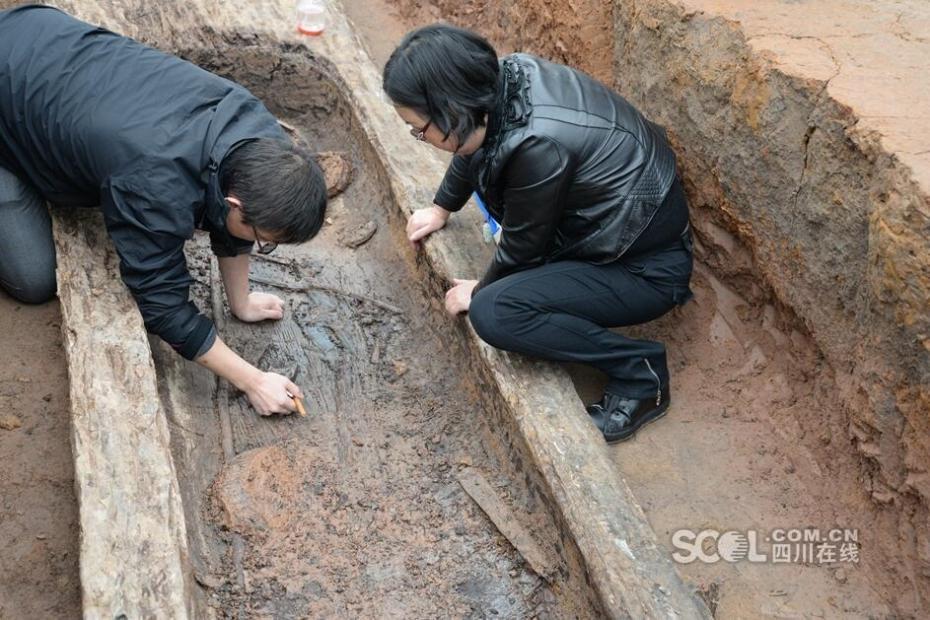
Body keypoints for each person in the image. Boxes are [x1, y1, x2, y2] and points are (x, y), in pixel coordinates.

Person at [0, 6, 327, 416]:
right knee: (33, 279)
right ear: (236, 205)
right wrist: (254, 381)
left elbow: (229, 213)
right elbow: (161, 304)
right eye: (264, 241)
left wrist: (239, 301)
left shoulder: (259, 136)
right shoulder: (154, 180)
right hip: (14, 85)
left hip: (44, 41)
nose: (261, 245)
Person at [383, 24, 694, 443]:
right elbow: (474, 146)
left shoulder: (539, 146)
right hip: (606, 232)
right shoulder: (503, 81)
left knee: (496, 313)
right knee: (499, 297)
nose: (418, 136)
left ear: (450, 113)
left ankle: (640, 375)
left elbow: (522, 248)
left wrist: (478, 292)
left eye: (419, 129)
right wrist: (442, 207)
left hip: (643, 269)